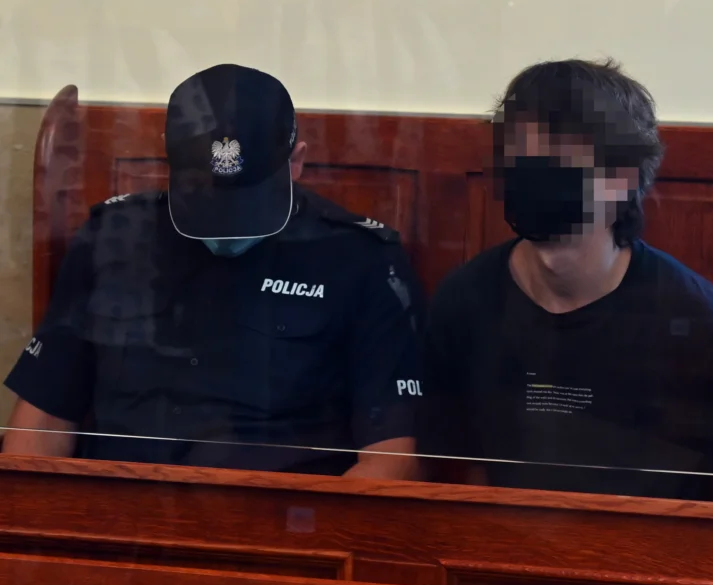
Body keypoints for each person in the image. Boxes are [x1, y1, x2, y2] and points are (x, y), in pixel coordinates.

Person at [2, 64, 424, 479]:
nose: (225, 233)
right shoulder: (112, 239)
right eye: (203, 197)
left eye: (247, 207)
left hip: (281, 509)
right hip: (123, 502)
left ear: (296, 162)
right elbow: (42, 422)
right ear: (166, 154)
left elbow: (392, 458)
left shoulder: (359, 258)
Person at [417, 58, 713, 501]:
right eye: (517, 154)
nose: (529, 173)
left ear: (622, 180)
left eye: (556, 156)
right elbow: (453, 464)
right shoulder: (465, 299)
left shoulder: (699, 321)